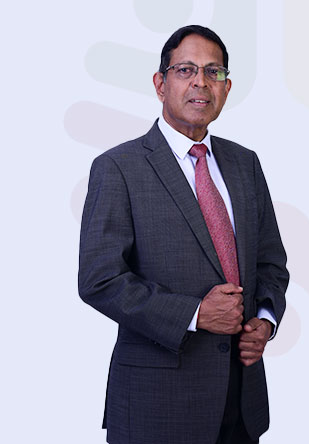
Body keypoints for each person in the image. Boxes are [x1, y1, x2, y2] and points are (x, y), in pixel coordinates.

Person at [78, 25, 289, 444]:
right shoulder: (118, 168)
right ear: (160, 84)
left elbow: (270, 263)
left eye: (214, 72)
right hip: (158, 406)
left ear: (227, 88)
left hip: (241, 401)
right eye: (186, 69)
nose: (201, 82)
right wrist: (194, 314)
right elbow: (99, 280)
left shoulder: (245, 164)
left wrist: (264, 321)